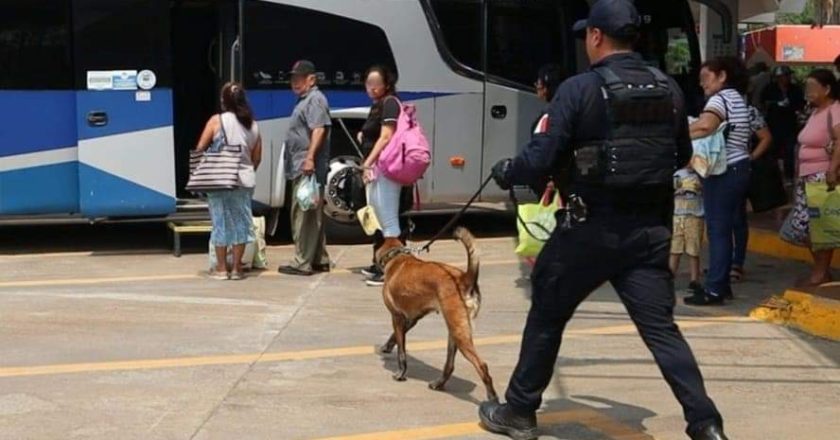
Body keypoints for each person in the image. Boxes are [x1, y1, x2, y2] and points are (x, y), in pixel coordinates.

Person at [477, 2, 726, 440]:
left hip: (588, 232)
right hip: (648, 234)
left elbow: (541, 158)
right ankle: (705, 423)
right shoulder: (668, 88)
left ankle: (518, 411)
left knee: (547, 316)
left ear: (595, 37)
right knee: (662, 333)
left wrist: (507, 170)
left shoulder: (578, 89)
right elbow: (683, 155)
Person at [684, 56, 752, 305]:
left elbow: (706, 127)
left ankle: (714, 289)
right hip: (739, 168)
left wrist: (676, 133)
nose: (702, 84)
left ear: (722, 76)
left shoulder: (720, 99)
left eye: (706, 78)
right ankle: (721, 285)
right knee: (724, 228)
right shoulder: (736, 98)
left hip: (724, 172)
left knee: (718, 230)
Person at [195, 82, 262, 280]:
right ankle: (237, 269)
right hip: (244, 181)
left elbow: (200, 147)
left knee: (220, 222)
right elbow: (257, 157)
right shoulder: (253, 125)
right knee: (242, 222)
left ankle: (222, 268)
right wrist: (245, 170)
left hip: (220, 179)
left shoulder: (216, 121)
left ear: (224, 101)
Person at [780, 69, 840, 287]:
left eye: (813, 87)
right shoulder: (815, 112)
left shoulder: (835, 110)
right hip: (807, 176)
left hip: (822, 177)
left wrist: (832, 169)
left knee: (817, 226)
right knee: (803, 226)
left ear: (827, 89)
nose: (808, 92)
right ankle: (821, 269)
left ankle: (821, 271)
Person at [356, 65, 412, 287]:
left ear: (386, 84)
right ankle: (383, 264)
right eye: (368, 83)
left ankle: (393, 270)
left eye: (374, 83)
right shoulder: (379, 105)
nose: (370, 87)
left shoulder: (389, 103)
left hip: (386, 170)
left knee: (389, 221)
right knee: (379, 217)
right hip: (379, 170)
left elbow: (386, 136)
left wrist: (368, 162)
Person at [277, 60, 332, 276]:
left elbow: (318, 130)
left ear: (312, 79)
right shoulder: (306, 99)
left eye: (299, 78)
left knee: (303, 214)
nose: (295, 82)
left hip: (307, 167)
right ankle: (319, 258)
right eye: (293, 78)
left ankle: (302, 262)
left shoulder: (315, 100)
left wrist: (309, 158)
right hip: (303, 165)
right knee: (311, 212)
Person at [730, 103, 773, 283]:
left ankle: (736, 263)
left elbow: (766, 137)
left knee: (738, 218)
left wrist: (751, 158)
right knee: (719, 221)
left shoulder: (748, 110)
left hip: (737, 169)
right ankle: (723, 262)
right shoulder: (709, 107)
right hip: (714, 170)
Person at [761, 66, 805, 180]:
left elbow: (800, 104)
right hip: (773, 124)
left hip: (789, 125)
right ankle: (772, 176)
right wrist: (776, 104)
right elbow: (763, 102)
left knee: (789, 152)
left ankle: (788, 176)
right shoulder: (770, 89)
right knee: (772, 152)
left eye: (788, 76)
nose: (786, 78)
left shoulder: (795, 89)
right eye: (783, 76)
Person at [670, 169, 704, 294]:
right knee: (675, 250)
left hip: (694, 217)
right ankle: (670, 278)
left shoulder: (701, 175)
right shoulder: (675, 174)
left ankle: (694, 280)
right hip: (677, 216)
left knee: (693, 250)